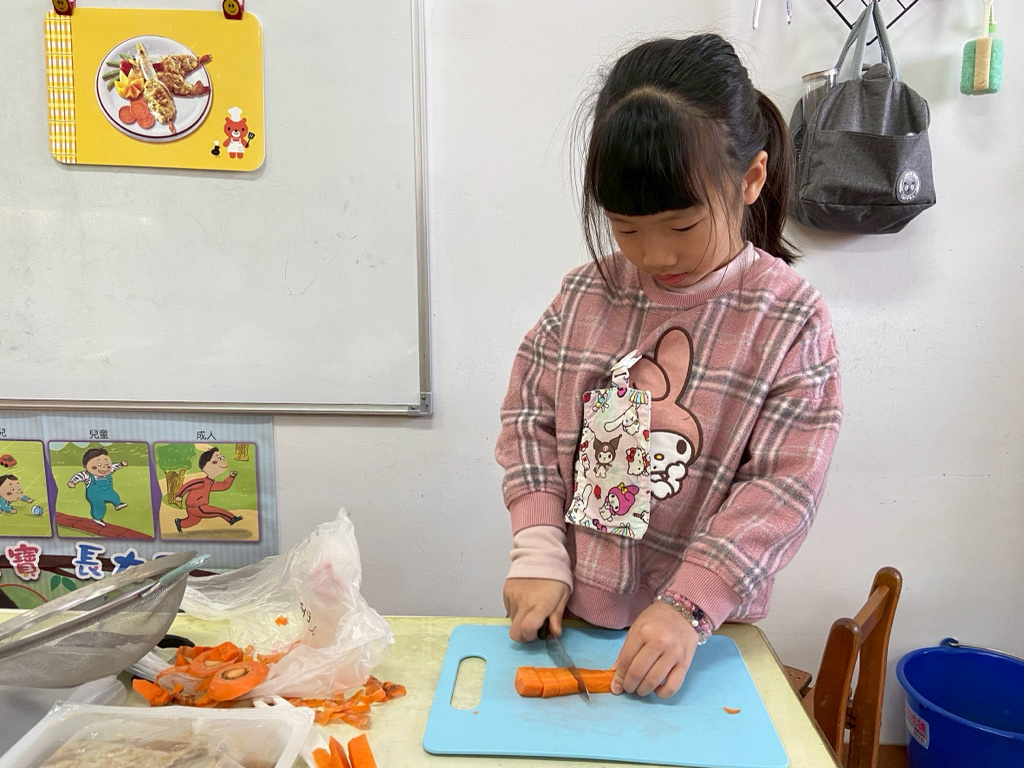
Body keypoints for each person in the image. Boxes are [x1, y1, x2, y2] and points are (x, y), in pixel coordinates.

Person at [496, 34, 842, 701]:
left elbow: (784, 486)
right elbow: (526, 419)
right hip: (574, 606)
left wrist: (688, 604)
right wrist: (537, 547)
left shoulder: (789, 317)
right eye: (626, 228)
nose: (654, 255)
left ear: (751, 179)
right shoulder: (585, 295)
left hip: (703, 629)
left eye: (682, 227)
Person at [172, 447, 242, 533]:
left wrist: (231, 477)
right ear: (205, 467)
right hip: (197, 506)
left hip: (195, 507)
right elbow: (189, 485)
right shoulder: (202, 482)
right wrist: (179, 495)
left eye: (222, 457)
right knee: (217, 511)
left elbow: (223, 486)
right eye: (217, 459)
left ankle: (180, 523)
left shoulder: (210, 483)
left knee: (194, 521)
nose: (222, 460)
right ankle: (231, 518)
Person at [67, 448, 128, 526]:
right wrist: (72, 482)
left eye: (106, 464)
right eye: (98, 465)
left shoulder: (108, 471)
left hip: (108, 491)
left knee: (114, 496)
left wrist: (121, 464)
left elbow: (114, 466)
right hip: (94, 495)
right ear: (85, 466)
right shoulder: (87, 474)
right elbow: (78, 476)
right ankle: (97, 518)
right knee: (99, 506)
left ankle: (117, 504)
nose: (103, 467)